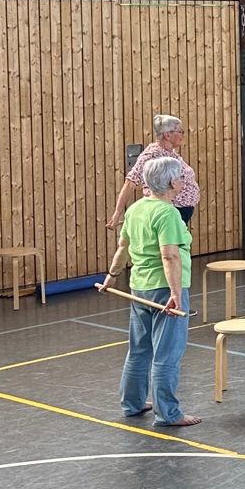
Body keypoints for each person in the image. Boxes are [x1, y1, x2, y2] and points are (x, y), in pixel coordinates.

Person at [99, 155, 199, 429]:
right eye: (180, 177)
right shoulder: (168, 213)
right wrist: (175, 294)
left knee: (139, 350)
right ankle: (168, 414)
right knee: (167, 353)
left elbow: (123, 248)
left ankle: (132, 404)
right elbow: (170, 256)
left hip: (140, 288)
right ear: (171, 182)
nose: (182, 181)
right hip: (164, 291)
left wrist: (111, 277)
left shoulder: (135, 209)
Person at [110, 114, 197, 228]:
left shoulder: (171, 153)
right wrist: (117, 214)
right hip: (167, 212)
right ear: (167, 135)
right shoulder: (152, 154)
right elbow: (130, 182)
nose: (183, 135)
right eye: (181, 132)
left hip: (178, 212)